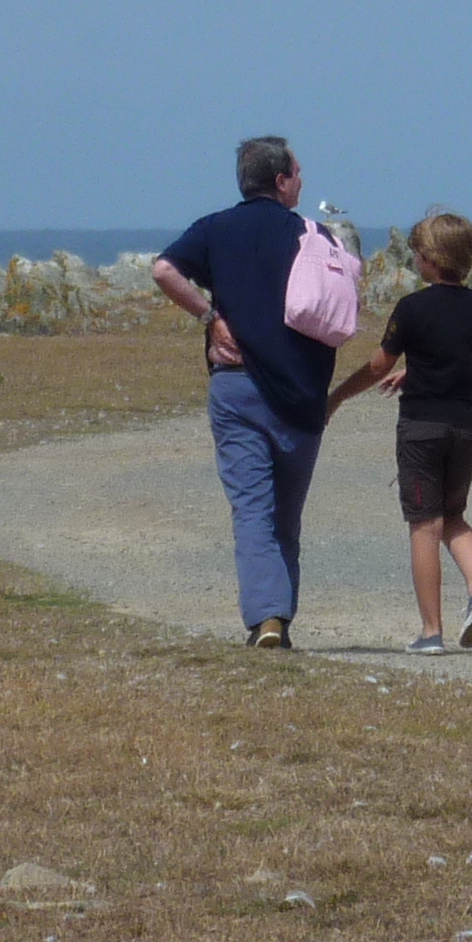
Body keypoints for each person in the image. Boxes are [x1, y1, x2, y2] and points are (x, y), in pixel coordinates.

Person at [152, 135, 345, 648]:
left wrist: (209, 315)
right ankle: (277, 618)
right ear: (281, 181)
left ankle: (268, 619)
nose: (302, 180)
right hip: (300, 393)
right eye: (298, 172)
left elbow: (164, 269)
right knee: (285, 516)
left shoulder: (214, 228)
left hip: (235, 387)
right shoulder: (314, 235)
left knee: (251, 509)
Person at [328, 213, 472, 655]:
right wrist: (417, 370)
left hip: (422, 425)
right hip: (467, 423)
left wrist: (340, 395)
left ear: (428, 260)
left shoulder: (411, 308)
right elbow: (470, 360)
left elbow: (380, 364)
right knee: (454, 514)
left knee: (424, 523)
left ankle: (431, 631)